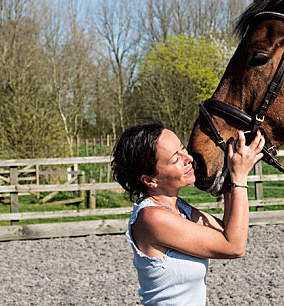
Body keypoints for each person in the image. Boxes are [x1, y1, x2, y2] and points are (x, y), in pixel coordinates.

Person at [111, 120, 265, 305]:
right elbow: (234, 247)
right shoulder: (152, 218)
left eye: (183, 148)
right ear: (150, 180)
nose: (188, 158)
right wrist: (239, 177)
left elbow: (228, 231)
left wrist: (231, 174)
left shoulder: (179, 208)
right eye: (176, 159)